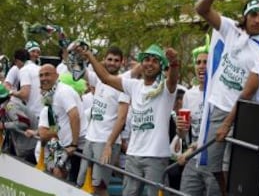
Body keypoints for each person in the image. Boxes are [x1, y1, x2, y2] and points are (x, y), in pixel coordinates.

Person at [195, 0, 259, 194]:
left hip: (242, 114)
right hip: (219, 107)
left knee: (234, 166)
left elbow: (248, 93)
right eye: (253, 14)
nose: (257, 20)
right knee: (213, 165)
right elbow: (201, 10)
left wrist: (227, 124)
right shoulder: (231, 29)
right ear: (245, 16)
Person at [76, 43, 179, 196]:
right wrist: (89, 56)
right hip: (132, 155)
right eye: (146, 59)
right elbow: (105, 78)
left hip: (156, 157)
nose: (149, 63)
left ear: (161, 65)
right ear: (141, 63)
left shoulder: (165, 88)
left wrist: (174, 63)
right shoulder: (134, 85)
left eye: (155, 61)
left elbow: (173, 80)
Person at [77, 46, 131, 196]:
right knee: (82, 183)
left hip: (106, 142)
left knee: (99, 187)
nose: (112, 63)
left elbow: (121, 119)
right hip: (90, 139)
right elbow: (77, 70)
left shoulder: (123, 85)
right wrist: (78, 54)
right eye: (109, 59)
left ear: (122, 63)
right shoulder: (98, 79)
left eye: (116, 60)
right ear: (104, 60)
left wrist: (109, 144)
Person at [176, 40, 221, 195]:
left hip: (213, 159)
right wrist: (180, 129)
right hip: (192, 159)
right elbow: (183, 134)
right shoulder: (189, 94)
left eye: (206, 62)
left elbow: (217, 131)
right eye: (198, 62)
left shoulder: (220, 93)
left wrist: (190, 150)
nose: (201, 65)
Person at [37, 64, 86, 182]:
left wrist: (73, 144)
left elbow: (74, 116)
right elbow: (56, 122)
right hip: (65, 146)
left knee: (74, 186)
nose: (43, 78)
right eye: (41, 75)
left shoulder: (63, 91)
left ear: (57, 76)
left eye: (47, 74)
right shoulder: (50, 95)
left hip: (77, 147)